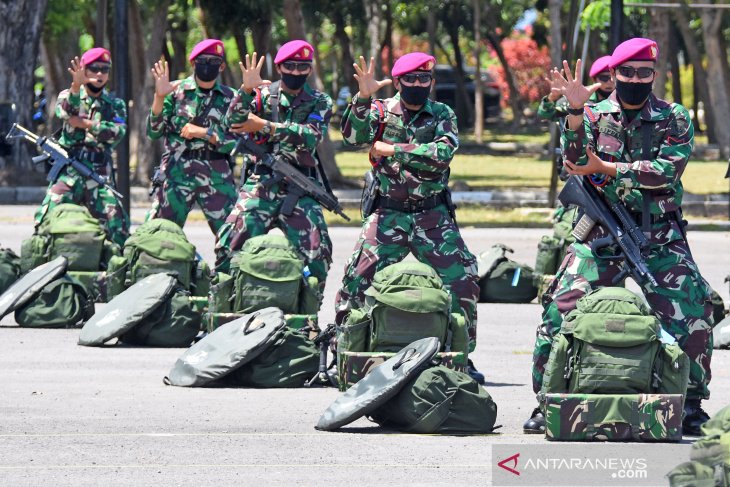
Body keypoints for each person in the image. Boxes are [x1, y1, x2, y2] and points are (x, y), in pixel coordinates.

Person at [524, 38, 714, 436]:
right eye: (627, 72)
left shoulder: (674, 117)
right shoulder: (592, 115)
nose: (635, 79)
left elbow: (665, 171)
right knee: (559, 310)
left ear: (654, 75)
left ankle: (691, 402)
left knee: (693, 311)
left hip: (658, 234)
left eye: (644, 73)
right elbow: (575, 163)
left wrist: (607, 168)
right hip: (599, 234)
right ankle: (547, 400)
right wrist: (574, 113)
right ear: (614, 74)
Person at [333, 53, 483, 382]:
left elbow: (441, 154)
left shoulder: (442, 113)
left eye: (424, 79)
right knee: (355, 281)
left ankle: (462, 355)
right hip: (389, 213)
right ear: (398, 82)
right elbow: (352, 137)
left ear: (431, 82)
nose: (418, 85)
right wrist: (363, 97)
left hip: (432, 215)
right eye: (410, 79)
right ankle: (343, 353)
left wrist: (393, 150)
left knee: (464, 282)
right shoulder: (381, 111)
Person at [214, 40, 334, 304]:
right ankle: (222, 307)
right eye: (290, 66)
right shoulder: (260, 95)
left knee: (319, 252)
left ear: (310, 70)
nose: (296, 71)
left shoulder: (319, 101)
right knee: (228, 244)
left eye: (303, 66)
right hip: (261, 183)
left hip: (300, 188)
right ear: (279, 67)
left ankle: (307, 315)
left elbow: (311, 137)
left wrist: (264, 126)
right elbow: (231, 124)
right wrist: (245, 90)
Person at [35, 47, 129, 247]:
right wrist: (76, 88)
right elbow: (65, 112)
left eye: (104, 69)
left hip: (99, 174)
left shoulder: (115, 104)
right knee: (48, 215)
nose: (99, 74)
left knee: (116, 221)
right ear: (83, 70)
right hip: (70, 171)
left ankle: (121, 269)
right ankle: (39, 262)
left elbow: (117, 133)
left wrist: (86, 124)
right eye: (94, 68)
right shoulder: (68, 95)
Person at [146, 39, 237, 238]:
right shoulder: (174, 92)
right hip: (177, 171)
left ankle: (228, 270)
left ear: (222, 66)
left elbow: (238, 141)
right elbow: (154, 131)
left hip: (217, 173)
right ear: (193, 63)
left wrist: (205, 133)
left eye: (214, 61)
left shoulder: (232, 98)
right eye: (203, 60)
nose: (208, 65)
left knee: (232, 238)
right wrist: (159, 98)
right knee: (158, 235)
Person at [537, 55, 615, 122]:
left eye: (612, 77)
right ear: (594, 79)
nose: (609, 81)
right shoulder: (577, 98)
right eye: (604, 78)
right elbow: (545, 116)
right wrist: (552, 97)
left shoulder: (624, 100)